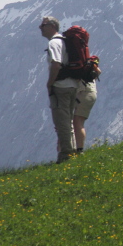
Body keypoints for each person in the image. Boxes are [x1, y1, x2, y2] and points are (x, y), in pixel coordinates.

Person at [39, 16, 78, 163]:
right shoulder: (65, 41)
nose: (40, 28)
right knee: (68, 121)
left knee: (62, 122)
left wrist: (50, 83)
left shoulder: (54, 43)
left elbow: (56, 64)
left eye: (43, 25)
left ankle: (66, 155)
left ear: (52, 26)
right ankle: (72, 151)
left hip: (61, 87)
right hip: (72, 85)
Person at [73, 79, 96, 154]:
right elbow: (98, 73)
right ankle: (78, 149)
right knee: (79, 121)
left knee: (78, 121)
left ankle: (79, 150)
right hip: (91, 90)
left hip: (83, 92)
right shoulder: (91, 70)